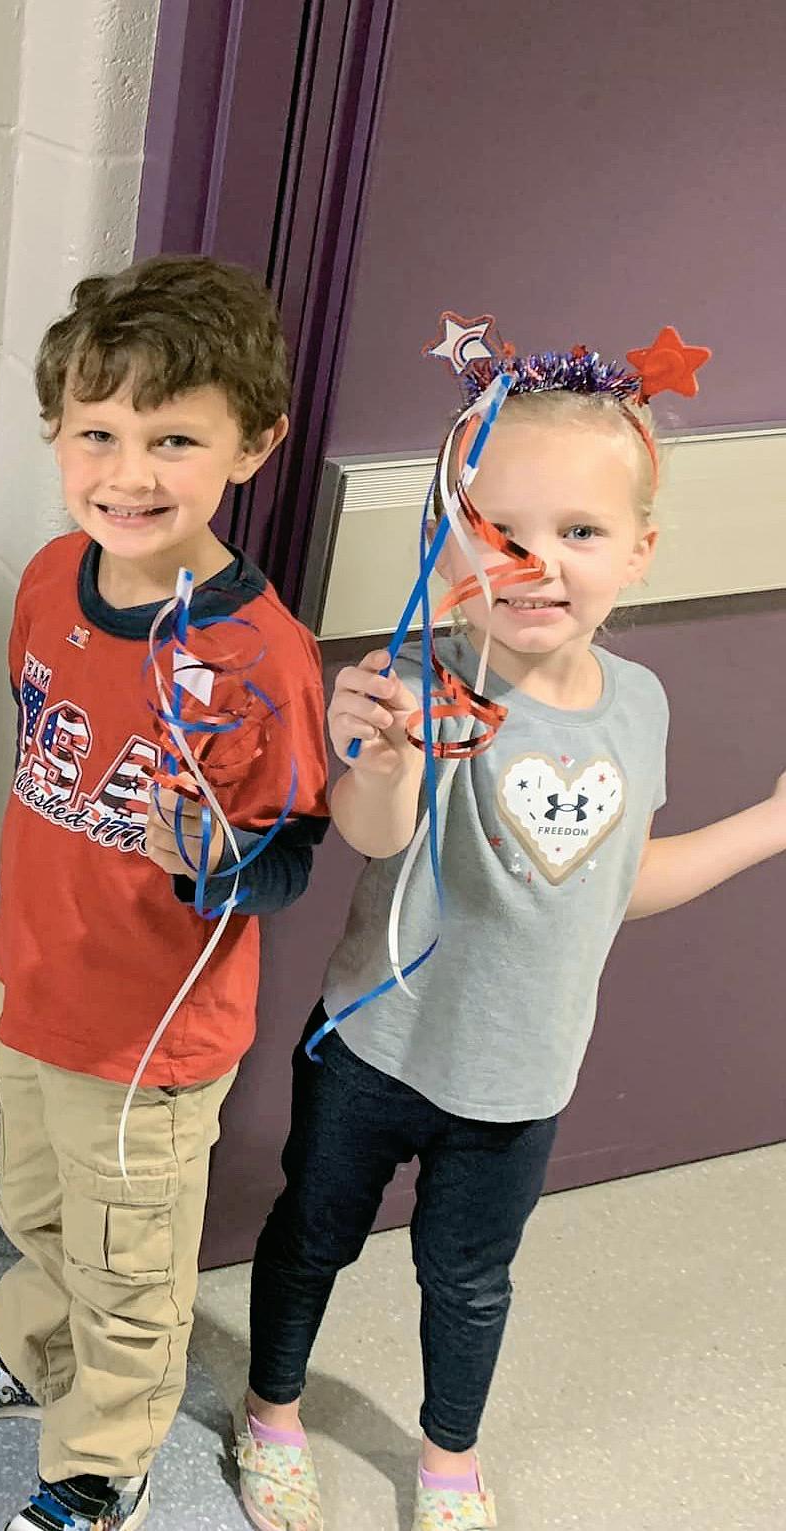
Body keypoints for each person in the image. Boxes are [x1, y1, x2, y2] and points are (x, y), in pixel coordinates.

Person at [234, 333, 786, 1531]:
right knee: (312, 1237)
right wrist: (385, 754)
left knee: (471, 1280)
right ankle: (271, 1411)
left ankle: (449, 1458)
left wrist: (768, 825)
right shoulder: (420, 679)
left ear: (638, 553)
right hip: (372, 1053)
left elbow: (614, 882)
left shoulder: (641, 707)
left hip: (521, 1081)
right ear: (451, 542)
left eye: (579, 531)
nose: (537, 562)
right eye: (501, 530)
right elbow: (375, 833)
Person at [0, 256, 331, 1531]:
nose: (128, 473)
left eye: (173, 439)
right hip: (31, 984)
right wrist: (2, 915)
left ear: (253, 445)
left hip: (149, 1042)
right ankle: (38, 1356)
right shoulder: (51, 579)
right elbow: (39, 778)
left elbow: (292, 860)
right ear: (56, 433)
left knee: (128, 1263)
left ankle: (104, 1453)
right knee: (35, 1209)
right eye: (98, 433)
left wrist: (212, 858)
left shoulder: (261, 658)